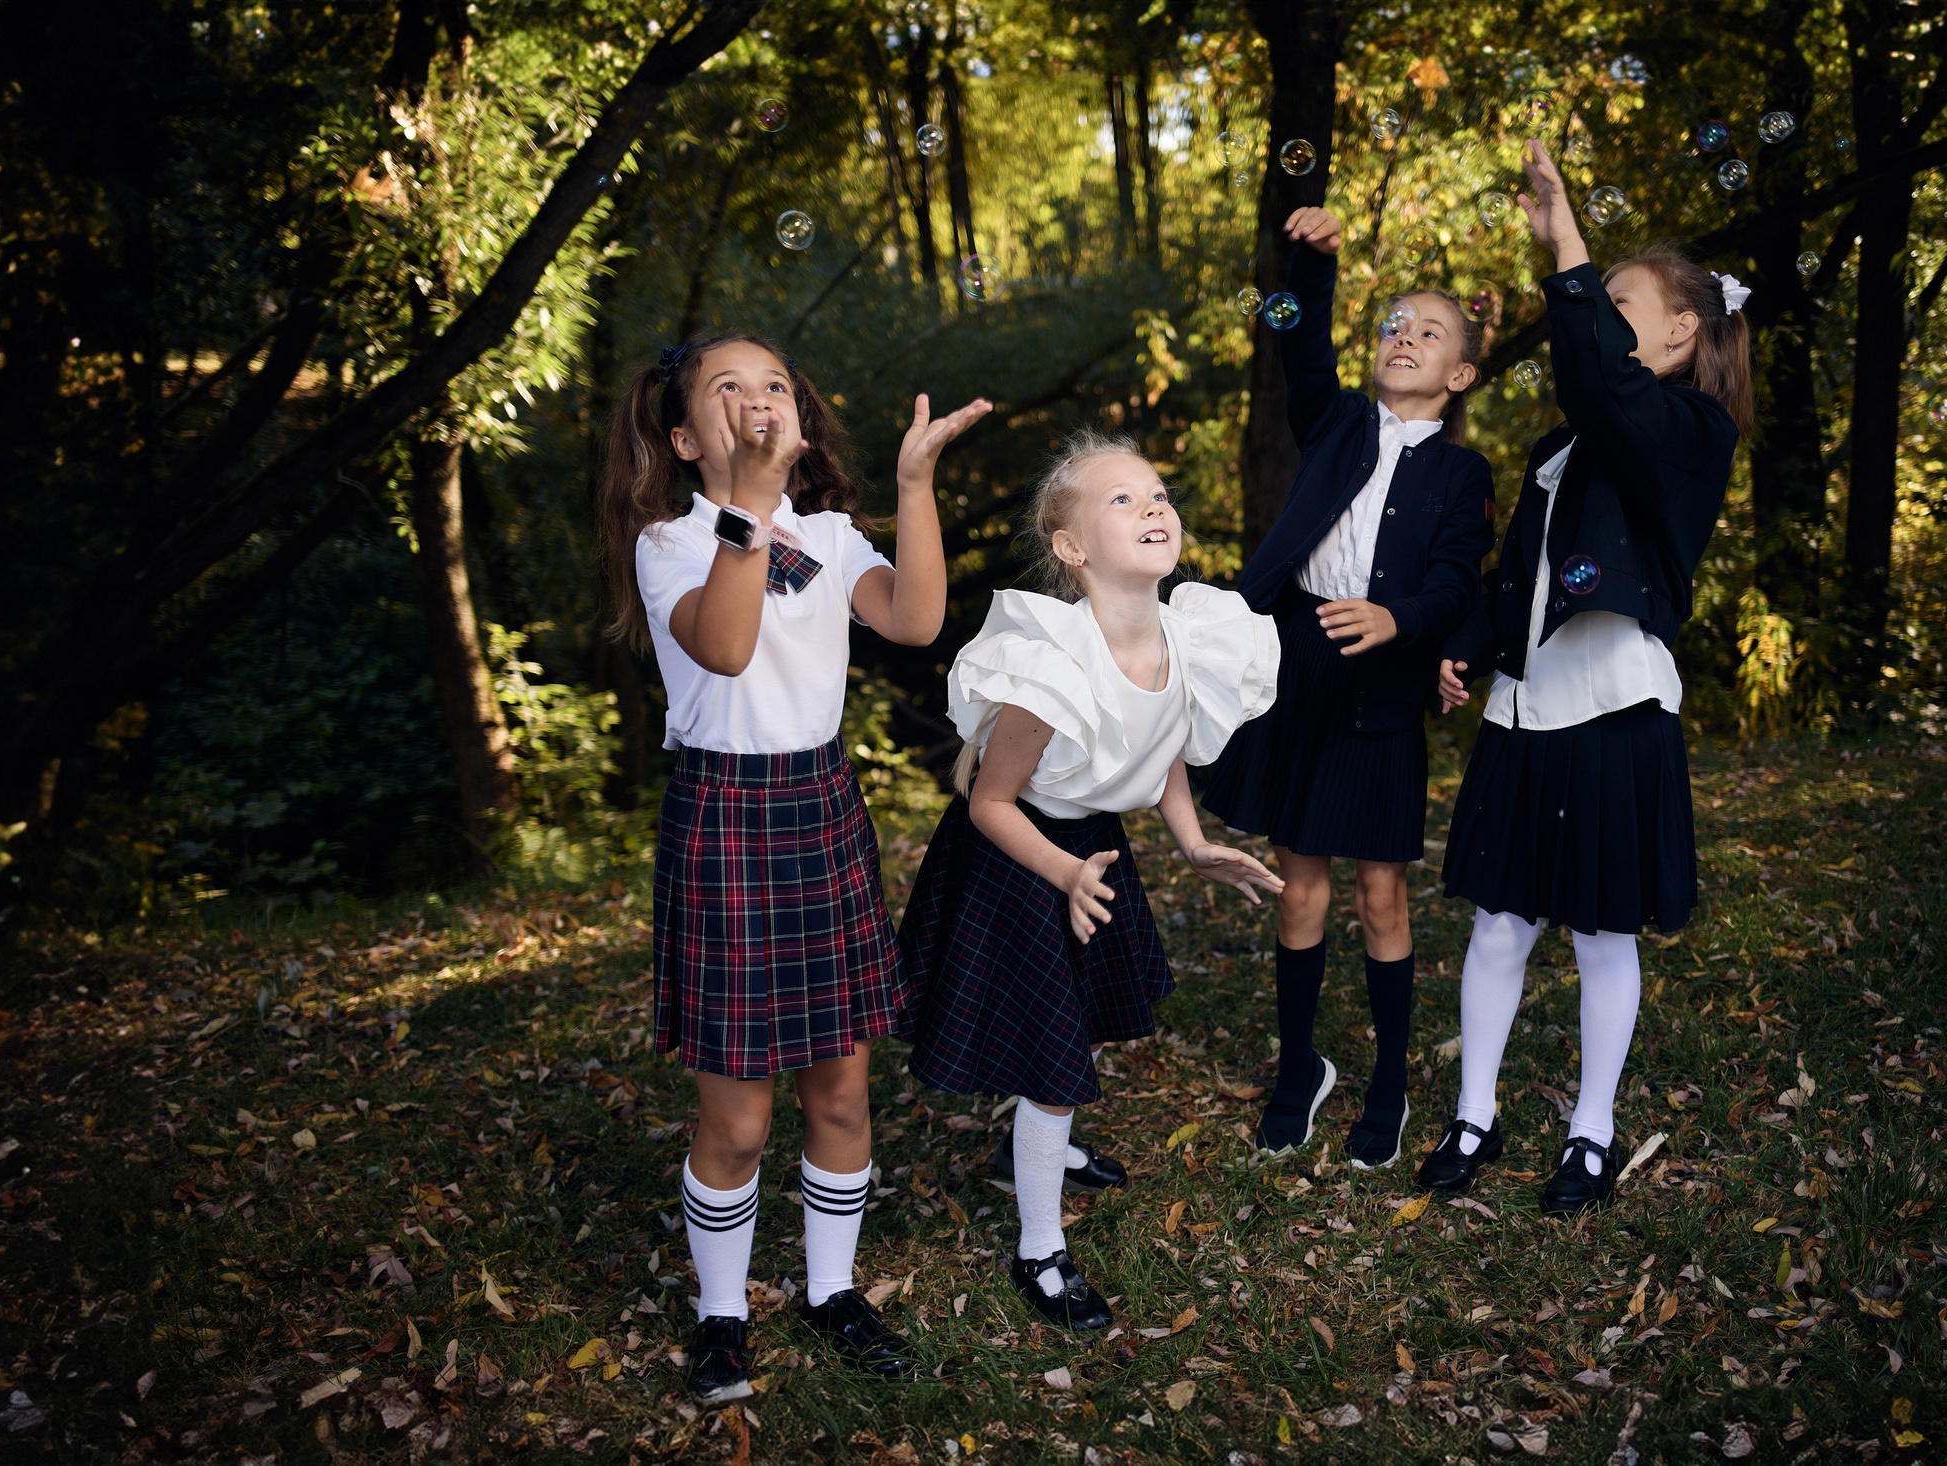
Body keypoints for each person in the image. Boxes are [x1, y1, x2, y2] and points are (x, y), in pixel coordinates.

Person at [596, 332, 989, 1400]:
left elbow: (915, 618)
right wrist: (749, 512)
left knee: (844, 1093)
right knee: (736, 1116)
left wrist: (914, 486)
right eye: (728, 388)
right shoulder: (674, 542)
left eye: (773, 382)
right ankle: (721, 1313)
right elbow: (724, 646)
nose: (756, 397)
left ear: (799, 418)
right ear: (686, 439)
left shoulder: (828, 533)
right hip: (724, 815)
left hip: (820, 807)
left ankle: (832, 1289)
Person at [1420, 140, 1752, 1213]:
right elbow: (1517, 577)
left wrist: (1563, 236)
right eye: (1596, 299)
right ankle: (1475, 1114)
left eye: (1620, 299)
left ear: (1679, 331)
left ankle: (1592, 1133)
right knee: (1500, 924)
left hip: (1614, 708)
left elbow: (1606, 387)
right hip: (1526, 709)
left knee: (1599, 930)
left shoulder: (1691, 431)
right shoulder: (1565, 446)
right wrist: (1465, 648)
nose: (1602, 318)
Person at [897, 432, 1283, 1332]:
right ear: (1070, 550)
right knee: (1053, 1060)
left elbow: (1167, 750)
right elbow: (992, 802)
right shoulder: (1048, 660)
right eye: (1121, 500)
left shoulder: (1186, 634)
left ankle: (1041, 1146)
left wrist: (1190, 844)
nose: (1152, 506)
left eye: (1157, 492)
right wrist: (1065, 870)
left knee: (1075, 1027)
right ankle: (1040, 1250)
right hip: (1021, 856)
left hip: (1090, 850)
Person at [1199, 205, 1497, 1169]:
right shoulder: (1332, 423)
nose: (1404, 335)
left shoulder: (1463, 472)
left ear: (1461, 376)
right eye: (1395, 322)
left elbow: (1458, 584)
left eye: (1430, 330)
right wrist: (1312, 263)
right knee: (1300, 881)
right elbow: (1302, 349)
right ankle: (1300, 1070)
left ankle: (1393, 1082)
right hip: (1298, 664)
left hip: (1383, 682)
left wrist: (1398, 620)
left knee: (1381, 894)